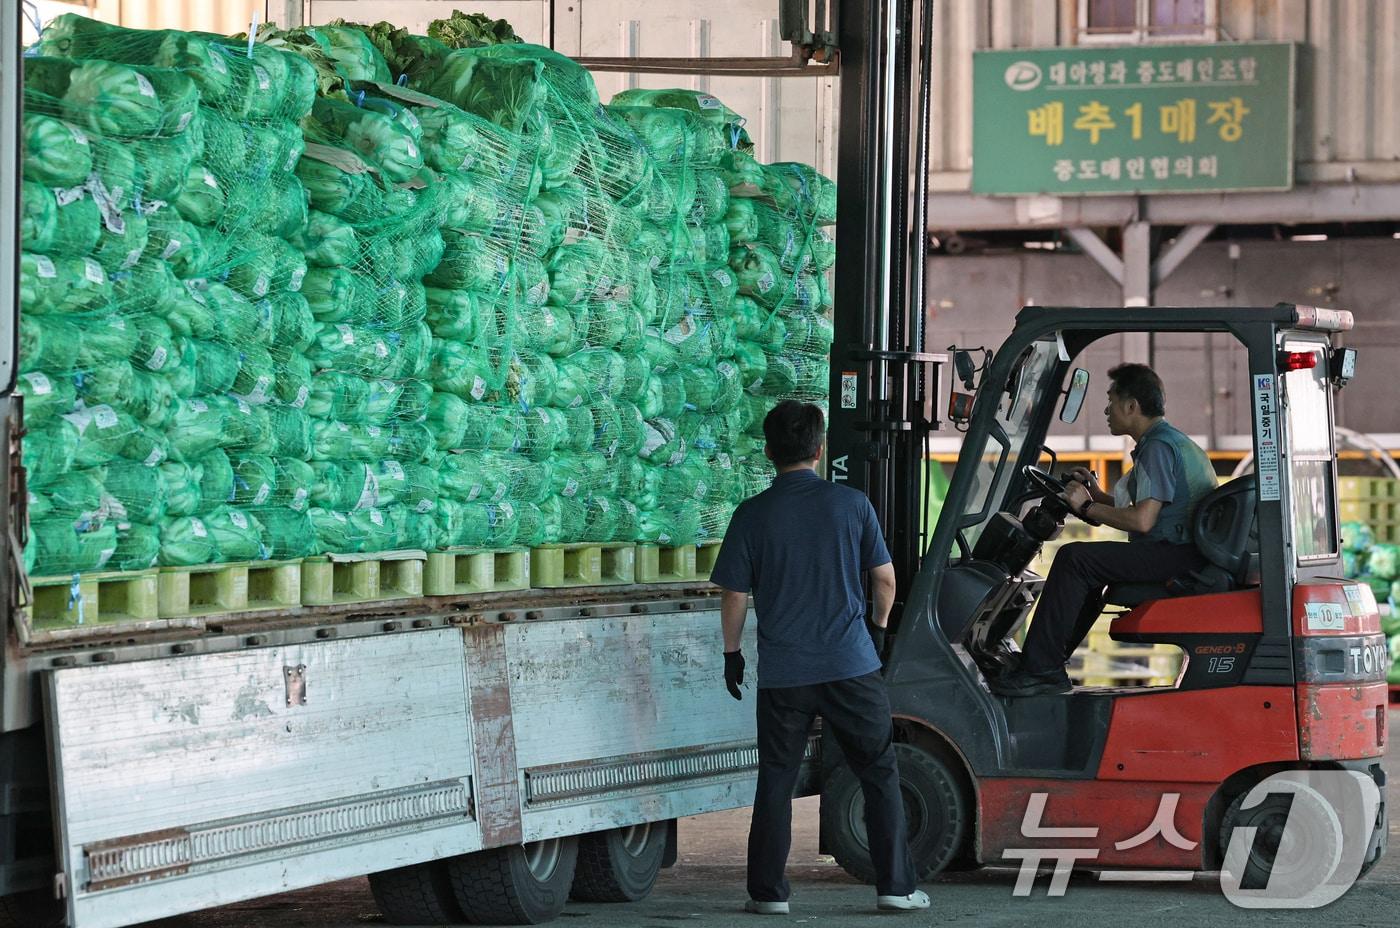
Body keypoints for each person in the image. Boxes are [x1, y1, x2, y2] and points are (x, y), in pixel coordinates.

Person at [708, 400, 930, 915]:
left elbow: (734, 595)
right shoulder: (851, 505)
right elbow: (884, 579)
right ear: (819, 448)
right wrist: (877, 629)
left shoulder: (751, 514)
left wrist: (732, 653)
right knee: (877, 771)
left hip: (785, 674)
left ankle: (767, 894)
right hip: (850, 665)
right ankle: (895, 887)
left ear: (768, 452)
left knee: (777, 778)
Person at [992, 363, 1219, 697]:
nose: (1106, 409)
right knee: (1090, 568)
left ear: (1131, 406)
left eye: (1111, 400)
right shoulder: (1168, 442)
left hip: (1177, 555)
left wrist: (1085, 507)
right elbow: (1154, 510)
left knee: (1074, 559)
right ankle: (1046, 664)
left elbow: (1142, 521)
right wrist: (1096, 497)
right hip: (1181, 550)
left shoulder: (1158, 447)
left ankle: (1040, 669)